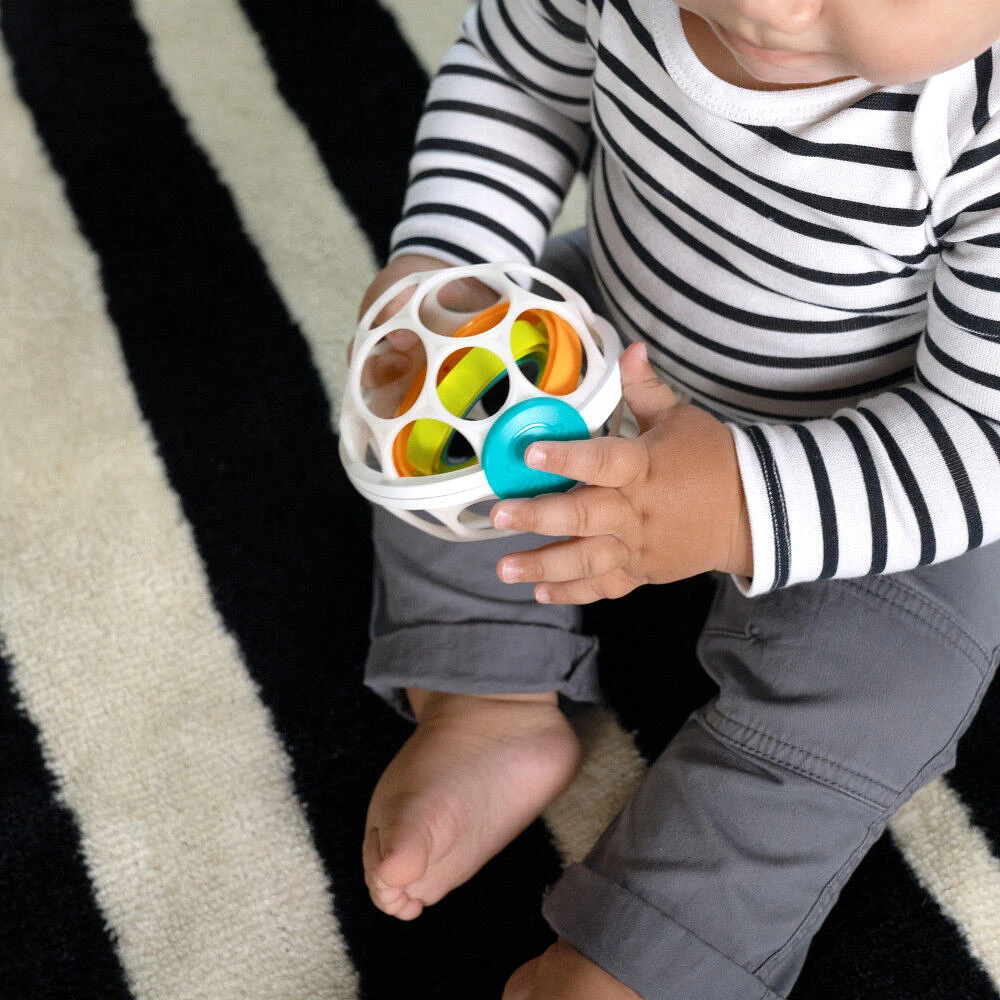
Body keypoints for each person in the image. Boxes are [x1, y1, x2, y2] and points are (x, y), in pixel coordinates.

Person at [356, 0, 1000, 997]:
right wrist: (449, 263)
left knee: (887, 688)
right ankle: (486, 699)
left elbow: (978, 437)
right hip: (605, 355)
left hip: (872, 460)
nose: (763, 5)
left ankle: (643, 947)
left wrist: (741, 504)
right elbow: (517, 84)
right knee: (432, 435)